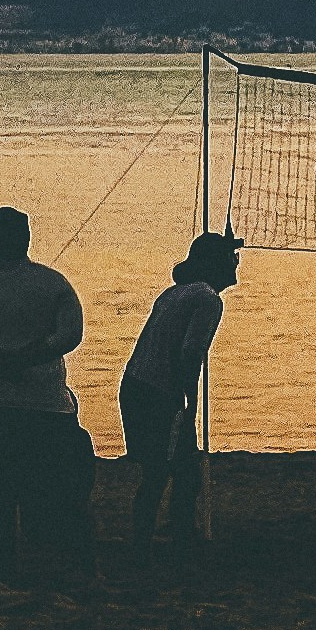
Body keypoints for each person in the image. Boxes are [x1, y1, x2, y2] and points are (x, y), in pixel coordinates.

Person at [0, 204, 88, 576]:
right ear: (26, 237)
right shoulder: (53, 284)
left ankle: (1, 558)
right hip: (43, 404)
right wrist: (32, 355)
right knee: (42, 484)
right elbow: (70, 334)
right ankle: (41, 555)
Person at [118, 232, 236, 554]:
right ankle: (158, 543)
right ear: (215, 264)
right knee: (169, 472)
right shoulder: (208, 298)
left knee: (173, 468)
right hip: (157, 392)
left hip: (134, 384)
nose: (236, 264)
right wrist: (191, 403)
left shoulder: (173, 293)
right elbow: (190, 352)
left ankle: (172, 535)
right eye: (230, 257)